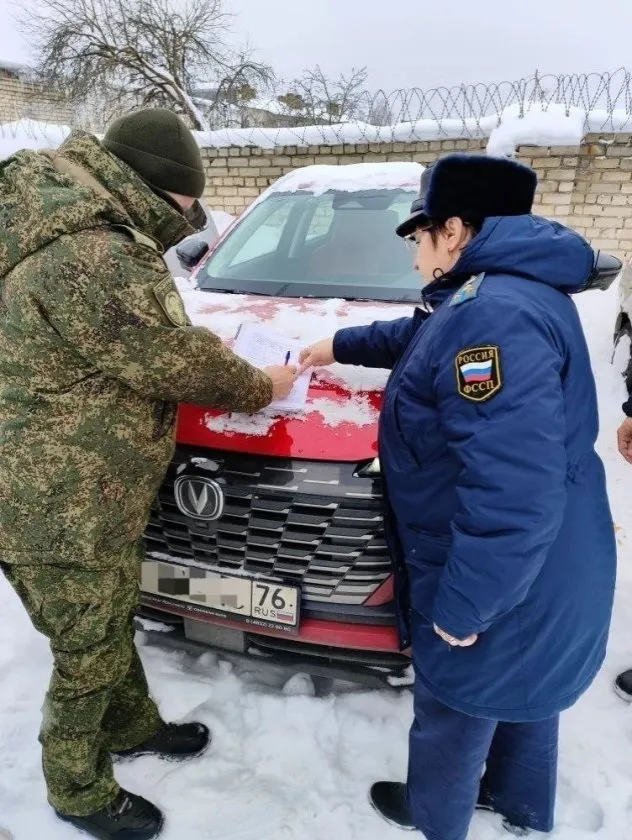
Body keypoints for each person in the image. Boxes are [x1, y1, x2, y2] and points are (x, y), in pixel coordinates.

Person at [298, 154, 616, 840]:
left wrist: (468, 603)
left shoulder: (490, 315)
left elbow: (512, 489)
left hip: (503, 567)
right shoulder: (508, 291)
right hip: (550, 559)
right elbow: (423, 337)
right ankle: (520, 808)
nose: (414, 252)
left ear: (453, 231)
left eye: (419, 235)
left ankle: (437, 816)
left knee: (458, 702)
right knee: (524, 692)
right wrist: (337, 345)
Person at [0, 108, 296, 840]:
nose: (191, 214)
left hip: (56, 488)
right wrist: (263, 384)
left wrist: (179, 340)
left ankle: (133, 725)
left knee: (105, 622)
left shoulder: (58, 222)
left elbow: (128, 340)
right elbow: (172, 360)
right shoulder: (95, 251)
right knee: (87, 652)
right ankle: (79, 791)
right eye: (187, 200)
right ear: (155, 185)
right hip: (57, 504)